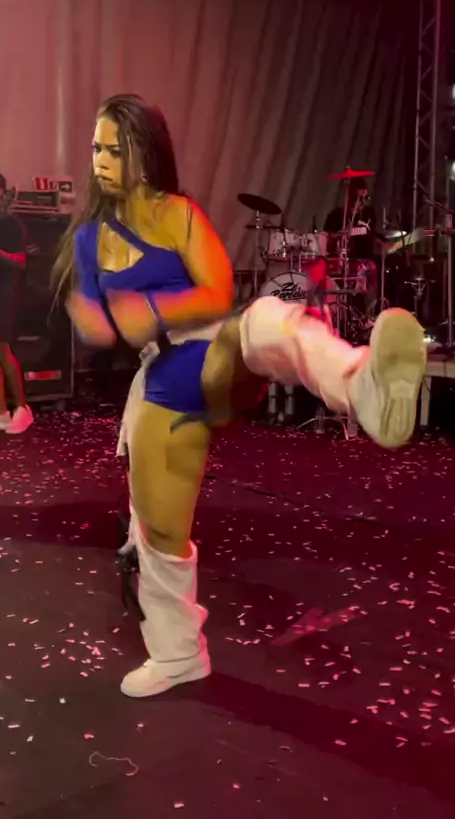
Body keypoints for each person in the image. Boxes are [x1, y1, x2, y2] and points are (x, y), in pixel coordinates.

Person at [54, 94, 426, 699]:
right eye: (96, 147)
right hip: (159, 379)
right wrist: (98, 319)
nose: (99, 159)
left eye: (113, 150)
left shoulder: (178, 213)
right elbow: (97, 328)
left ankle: (361, 383)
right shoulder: (89, 238)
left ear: (143, 155)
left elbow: (216, 290)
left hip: (211, 348)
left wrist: (145, 310)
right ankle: (177, 654)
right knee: (158, 528)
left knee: (261, 320)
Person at [0, 174, 34, 434]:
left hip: (5, 294)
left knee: (3, 350)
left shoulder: (11, 224)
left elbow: (20, 262)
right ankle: (2, 412)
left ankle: (22, 409)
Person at [324, 177, 378, 315]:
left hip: (361, 260)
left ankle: (365, 313)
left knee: (368, 270)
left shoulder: (368, 214)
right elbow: (326, 237)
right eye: (358, 198)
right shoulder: (336, 215)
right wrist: (339, 235)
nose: (361, 202)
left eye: (364, 198)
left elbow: (370, 236)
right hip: (339, 259)